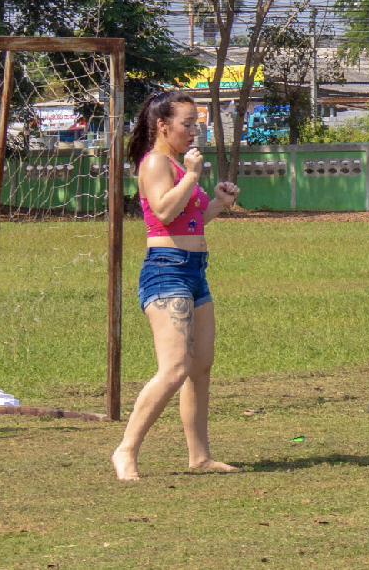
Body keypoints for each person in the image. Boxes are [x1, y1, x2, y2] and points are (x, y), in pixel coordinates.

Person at [111, 90, 243, 481]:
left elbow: (192, 218)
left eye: (196, 123)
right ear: (162, 125)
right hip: (165, 271)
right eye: (187, 123)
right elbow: (165, 210)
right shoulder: (155, 162)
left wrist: (220, 201)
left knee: (200, 367)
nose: (194, 131)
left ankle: (199, 456)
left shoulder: (175, 163)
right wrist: (191, 175)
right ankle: (126, 450)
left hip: (194, 270)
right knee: (174, 368)